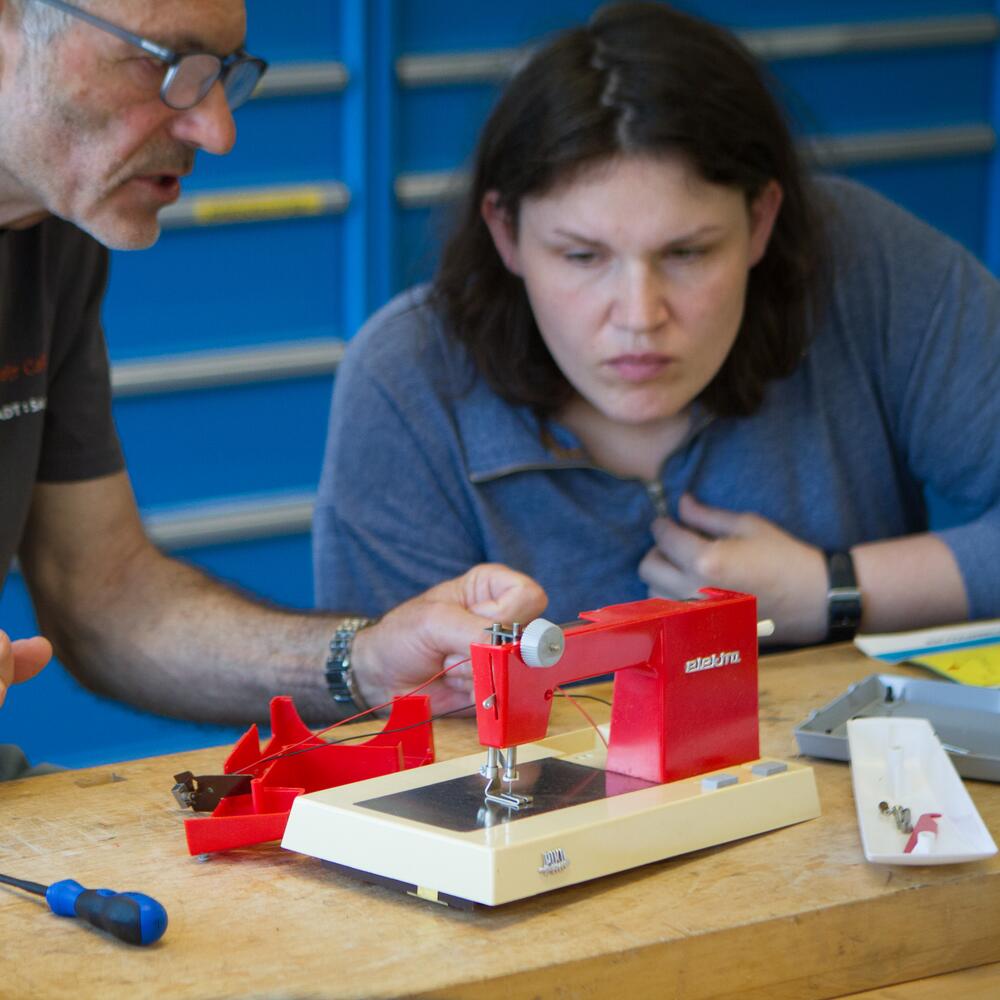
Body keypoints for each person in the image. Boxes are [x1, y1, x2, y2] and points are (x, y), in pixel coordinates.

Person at [314, 1, 1000, 648]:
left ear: (760, 221)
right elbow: (389, 725)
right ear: (506, 231)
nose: (640, 316)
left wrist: (831, 589)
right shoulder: (404, 379)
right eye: (582, 256)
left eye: (688, 253)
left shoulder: (866, 263)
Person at [0, 0, 546, 771]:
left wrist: (367, 662)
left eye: (224, 75)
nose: (216, 131)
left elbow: (104, 596)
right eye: (167, 62)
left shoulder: (53, 239)